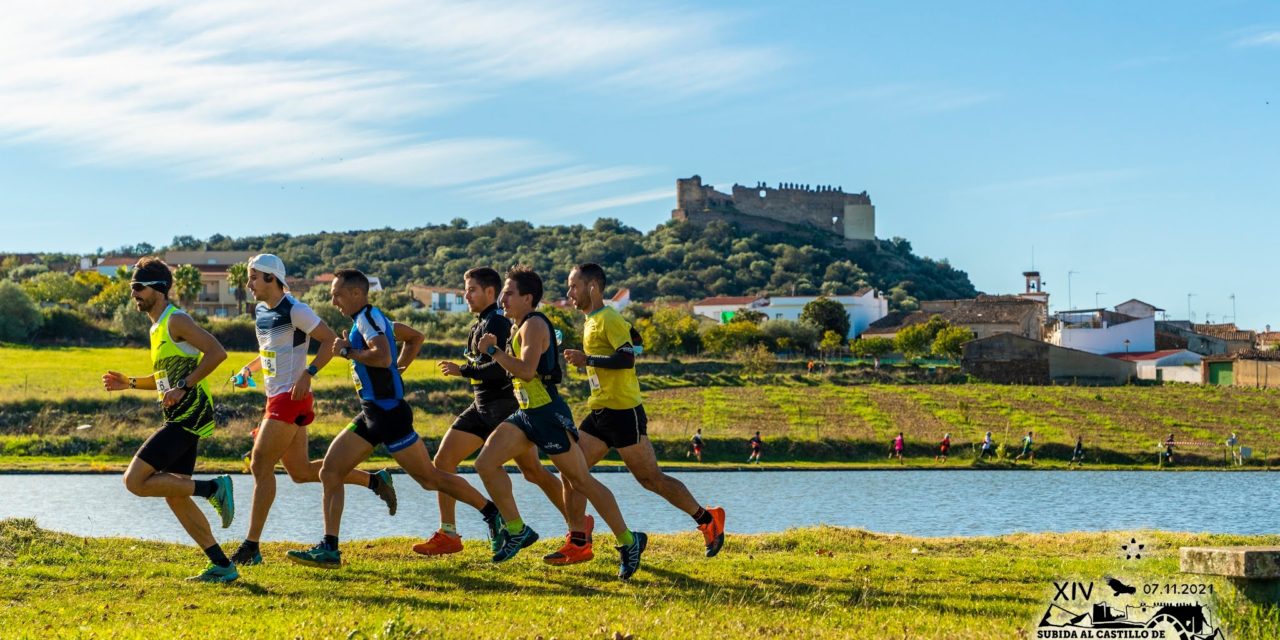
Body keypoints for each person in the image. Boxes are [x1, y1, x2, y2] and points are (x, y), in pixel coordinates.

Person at [286, 269, 504, 569]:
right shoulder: (374, 319)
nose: (332, 299)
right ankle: (330, 548)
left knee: (429, 478)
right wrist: (397, 370)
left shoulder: (368, 319)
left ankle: (493, 515)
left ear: (356, 294)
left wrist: (351, 352)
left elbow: (383, 355)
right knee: (331, 470)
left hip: (389, 414)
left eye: (337, 293)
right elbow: (415, 338)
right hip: (371, 412)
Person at [472, 266, 647, 580]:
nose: (502, 298)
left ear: (528, 298)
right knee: (485, 463)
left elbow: (526, 370)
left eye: (509, 293)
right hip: (526, 414)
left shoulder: (535, 324)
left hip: (548, 414)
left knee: (581, 481)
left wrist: (493, 351)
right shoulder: (517, 326)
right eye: (503, 293)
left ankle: (628, 541)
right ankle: (517, 530)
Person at [229, 255, 397, 567]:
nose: (248, 284)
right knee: (301, 471)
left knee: (259, 464)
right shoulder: (261, 312)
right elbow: (268, 351)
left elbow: (330, 341)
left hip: (291, 398)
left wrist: (310, 373)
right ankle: (375, 481)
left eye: (254, 277)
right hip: (275, 397)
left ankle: (251, 547)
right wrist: (249, 369)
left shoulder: (295, 309)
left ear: (271, 278)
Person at [559, 263, 725, 563]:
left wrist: (588, 359)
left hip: (623, 412)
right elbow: (634, 342)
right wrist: (602, 355)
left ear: (592, 287)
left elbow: (626, 359)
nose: (569, 292)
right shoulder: (594, 319)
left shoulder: (607, 317)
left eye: (574, 286)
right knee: (571, 471)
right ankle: (579, 539)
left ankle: (707, 519)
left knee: (650, 479)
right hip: (600, 411)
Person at [413, 267, 568, 557]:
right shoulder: (479, 323)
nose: (466, 294)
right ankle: (448, 533)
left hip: (504, 408)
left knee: (533, 472)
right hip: (480, 407)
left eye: (471, 289)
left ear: (489, 292)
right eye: (465, 288)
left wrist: (464, 371)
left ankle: (577, 527)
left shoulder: (498, 321)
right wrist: (469, 371)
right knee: (443, 461)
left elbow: (502, 369)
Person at [101, 257, 236, 582]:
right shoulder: (156, 327)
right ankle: (222, 565)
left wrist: (184, 386)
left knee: (134, 481)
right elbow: (164, 380)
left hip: (190, 415)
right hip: (179, 413)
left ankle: (214, 487)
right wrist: (130, 383)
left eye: (138, 287)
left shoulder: (177, 320)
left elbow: (217, 352)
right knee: (175, 495)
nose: (134, 293)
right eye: (132, 287)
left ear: (159, 289)